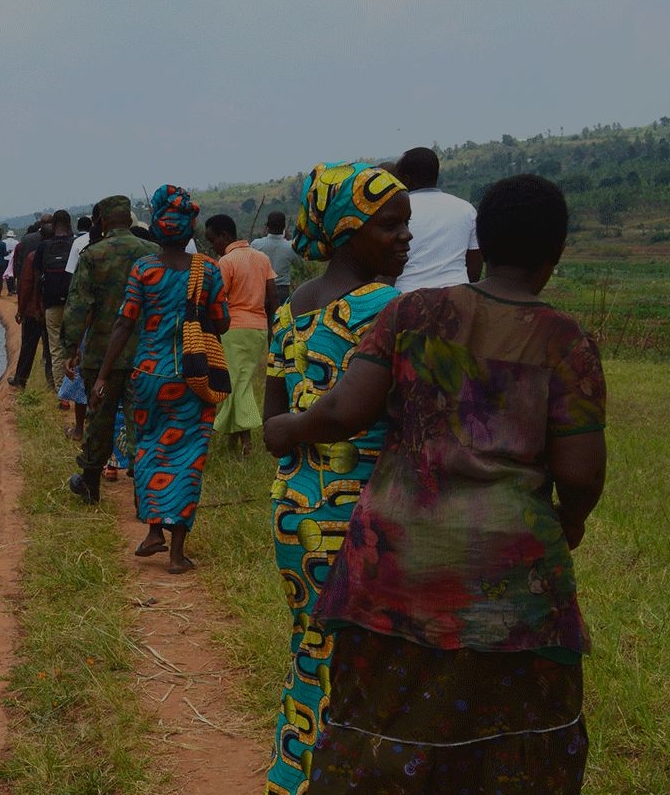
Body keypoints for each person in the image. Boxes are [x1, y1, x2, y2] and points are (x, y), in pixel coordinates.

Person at [263, 174, 603, 793]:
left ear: (481, 248)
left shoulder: (412, 312)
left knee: (372, 721)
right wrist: (569, 521)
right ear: (556, 254)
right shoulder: (565, 341)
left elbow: (347, 411)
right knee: (518, 740)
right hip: (515, 574)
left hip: (391, 565)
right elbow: (580, 473)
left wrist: (282, 429)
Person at [260, 161, 409, 794]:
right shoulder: (387, 307)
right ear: (348, 231)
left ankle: (291, 777)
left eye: (406, 225)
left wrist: (299, 431)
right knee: (368, 670)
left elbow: (270, 427)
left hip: (294, 513)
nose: (404, 238)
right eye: (389, 226)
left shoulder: (291, 310)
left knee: (311, 653)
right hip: (360, 519)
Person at [93, 185, 228, 574]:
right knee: (187, 459)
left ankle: (154, 530)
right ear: (190, 228)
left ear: (155, 227)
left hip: (149, 375)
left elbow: (124, 322)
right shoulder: (208, 270)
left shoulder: (144, 270)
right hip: (193, 376)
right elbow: (222, 322)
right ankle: (176, 554)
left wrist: (103, 375)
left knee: (150, 449)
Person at [60, 195, 158, 503]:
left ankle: (90, 484)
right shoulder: (153, 253)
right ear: (129, 220)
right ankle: (145, 494)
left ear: (102, 222)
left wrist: (72, 348)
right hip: (147, 355)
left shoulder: (93, 255)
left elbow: (78, 306)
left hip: (102, 354)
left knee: (99, 419)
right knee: (142, 421)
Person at [203, 213, 275, 455]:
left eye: (213, 240)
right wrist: (273, 328)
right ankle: (233, 441)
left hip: (233, 328)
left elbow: (218, 299)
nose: (213, 246)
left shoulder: (226, 262)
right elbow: (272, 296)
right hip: (258, 328)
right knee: (238, 381)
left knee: (236, 384)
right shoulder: (262, 258)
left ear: (225, 236)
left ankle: (246, 444)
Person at [390, 146, 481, 291]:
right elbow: (475, 268)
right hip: (457, 297)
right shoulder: (466, 209)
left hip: (408, 299)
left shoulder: (396, 211)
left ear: (406, 179)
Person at [8, 217, 55, 389]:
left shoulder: (32, 255)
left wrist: (21, 309)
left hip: (33, 309)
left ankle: (20, 379)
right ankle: (52, 383)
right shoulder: (64, 254)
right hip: (55, 307)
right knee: (52, 348)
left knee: (28, 345)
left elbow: (26, 284)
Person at [38, 210, 76, 397]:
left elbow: (38, 276)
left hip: (51, 304)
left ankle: (62, 394)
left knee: (55, 349)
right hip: (73, 306)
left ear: (53, 226)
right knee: (74, 348)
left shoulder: (44, 246)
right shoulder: (75, 245)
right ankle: (75, 390)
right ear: (69, 225)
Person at [251, 210, 303, 316]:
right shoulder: (290, 247)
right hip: (281, 291)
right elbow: (299, 266)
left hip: (261, 290)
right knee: (279, 324)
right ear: (284, 227)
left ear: (267, 226)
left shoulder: (256, 244)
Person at [2, 229, 19, 295]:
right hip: (13, 260)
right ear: (13, 236)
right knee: (13, 274)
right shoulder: (16, 242)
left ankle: (10, 290)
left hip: (5, 259)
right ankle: (13, 288)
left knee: (7, 275)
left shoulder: (3, 242)